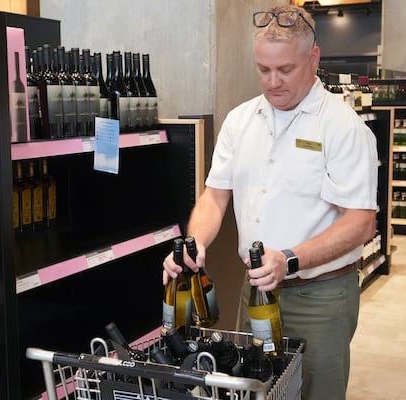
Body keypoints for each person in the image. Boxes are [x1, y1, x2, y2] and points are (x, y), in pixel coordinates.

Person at [163, 4, 378, 399]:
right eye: (263, 69)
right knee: (257, 389)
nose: (273, 82)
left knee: (316, 391)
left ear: (313, 59)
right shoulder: (240, 120)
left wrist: (290, 259)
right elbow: (215, 195)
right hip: (255, 291)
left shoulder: (343, 127)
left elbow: (361, 222)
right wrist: (195, 244)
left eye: (286, 70)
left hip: (321, 298)